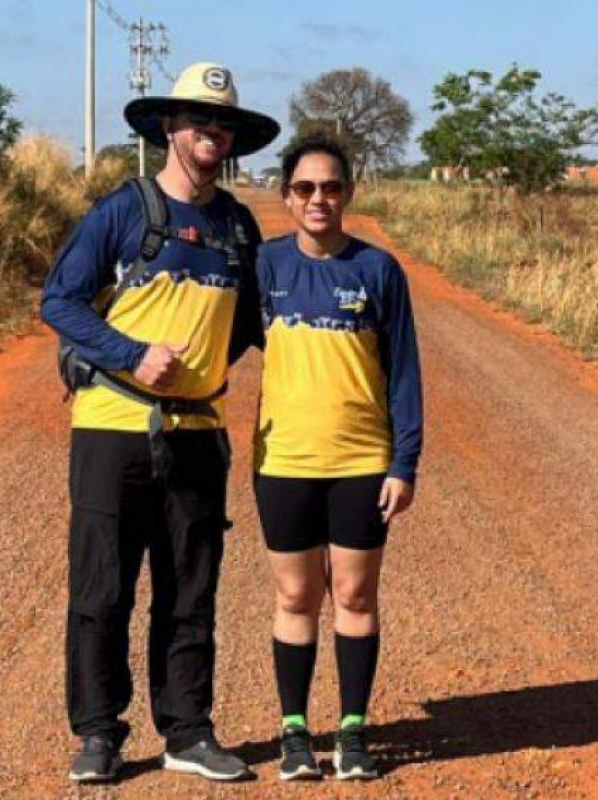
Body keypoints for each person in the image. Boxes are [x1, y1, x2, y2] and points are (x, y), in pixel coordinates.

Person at [40, 62, 279, 783]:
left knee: (191, 588)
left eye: (223, 123)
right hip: (113, 425)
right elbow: (60, 301)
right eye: (198, 119)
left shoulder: (237, 224)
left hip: (201, 432)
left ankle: (188, 731)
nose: (212, 132)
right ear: (168, 128)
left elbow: (252, 322)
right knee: (101, 589)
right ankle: (97, 734)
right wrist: (131, 355)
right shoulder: (124, 212)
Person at [252, 135, 424, 780]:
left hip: (360, 460)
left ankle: (353, 730)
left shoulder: (378, 271)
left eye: (330, 187)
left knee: (354, 594)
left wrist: (403, 462)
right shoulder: (264, 268)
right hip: (285, 459)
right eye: (304, 188)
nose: (317, 199)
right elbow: (220, 337)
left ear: (347, 193)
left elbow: (404, 370)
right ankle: (295, 732)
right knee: (296, 597)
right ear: (286, 196)